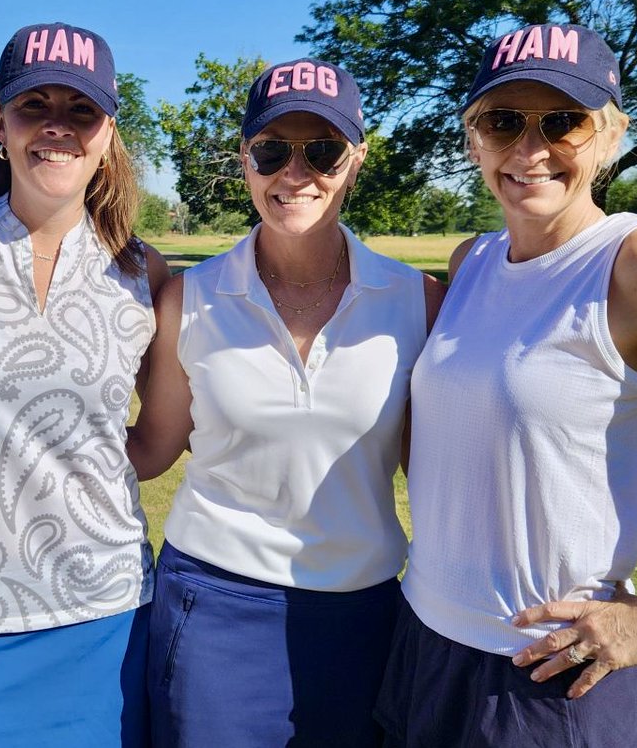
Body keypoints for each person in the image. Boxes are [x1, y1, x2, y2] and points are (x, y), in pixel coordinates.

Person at [376, 23, 637, 747]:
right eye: (502, 122)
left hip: (552, 677)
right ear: (473, 139)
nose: (529, 150)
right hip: (430, 646)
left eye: (562, 122)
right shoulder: (471, 259)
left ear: (610, 135)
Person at [127, 58, 445, 747]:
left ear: (356, 160)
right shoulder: (192, 297)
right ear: (246, 161)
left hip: (363, 612)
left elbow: (438, 474)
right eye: (271, 151)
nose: (294, 174)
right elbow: (151, 449)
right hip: (215, 604)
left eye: (322, 151)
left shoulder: (416, 299)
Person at [0, 22, 170, 747]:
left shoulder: (144, 273)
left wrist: (60, 463)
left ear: (108, 133)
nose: (57, 129)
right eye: (32, 106)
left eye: (81, 111)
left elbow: (161, 437)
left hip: (104, 608)